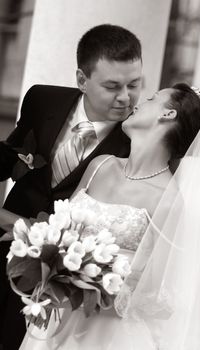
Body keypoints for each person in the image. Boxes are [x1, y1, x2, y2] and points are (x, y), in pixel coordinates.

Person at [1, 83, 200, 349]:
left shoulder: (168, 200)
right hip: (56, 320)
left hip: (105, 335)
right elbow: (59, 233)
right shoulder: (101, 165)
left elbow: (156, 295)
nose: (139, 102)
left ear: (167, 114)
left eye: (153, 98)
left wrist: (85, 285)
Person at [0, 24, 143, 350]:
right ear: (82, 80)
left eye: (134, 84)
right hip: (3, 247)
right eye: (112, 86)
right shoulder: (42, 99)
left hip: (56, 280)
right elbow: (11, 157)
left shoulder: (135, 141)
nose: (126, 97)